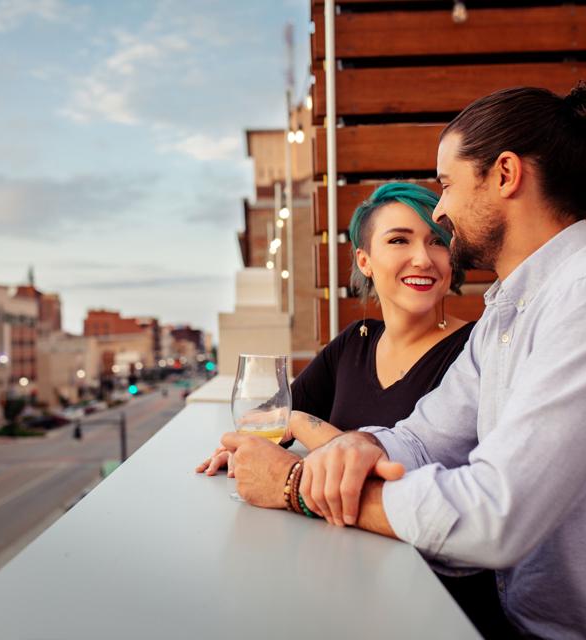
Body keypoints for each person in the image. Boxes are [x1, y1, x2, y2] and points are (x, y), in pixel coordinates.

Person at [221, 82, 586, 638]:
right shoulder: (506, 314)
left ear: (505, 174)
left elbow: (496, 516)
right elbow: (427, 436)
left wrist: (297, 488)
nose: (444, 211)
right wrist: (364, 445)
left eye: (447, 184)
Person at [198, 183, 511, 635]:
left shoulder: (474, 352)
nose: (423, 258)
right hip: (341, 574)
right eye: (399, 240)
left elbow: (392, 473)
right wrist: (247, 451)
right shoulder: (355, 341)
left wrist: (301, 424)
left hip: (434, 597)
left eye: (437, 242)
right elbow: (273, 419)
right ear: (364, 261)